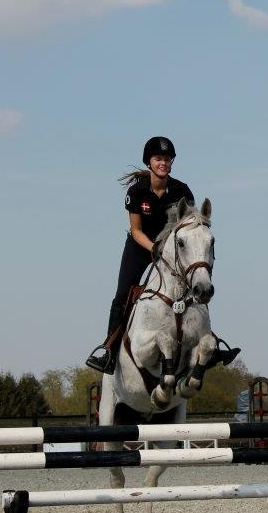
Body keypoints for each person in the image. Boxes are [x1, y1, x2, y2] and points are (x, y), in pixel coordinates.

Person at [86, 136, 239, 374]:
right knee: (123, 293)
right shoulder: (136, 192)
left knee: (196, 285)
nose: (163, 163)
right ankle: (109, 350)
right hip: (141, 247)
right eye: (158, 159)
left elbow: (189, 228)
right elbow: (135, 230)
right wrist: (154, 249)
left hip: (174, 249)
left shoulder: (182, 190)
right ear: (149, 162)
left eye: (167, 159)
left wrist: (173, 251)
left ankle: (211, 342)